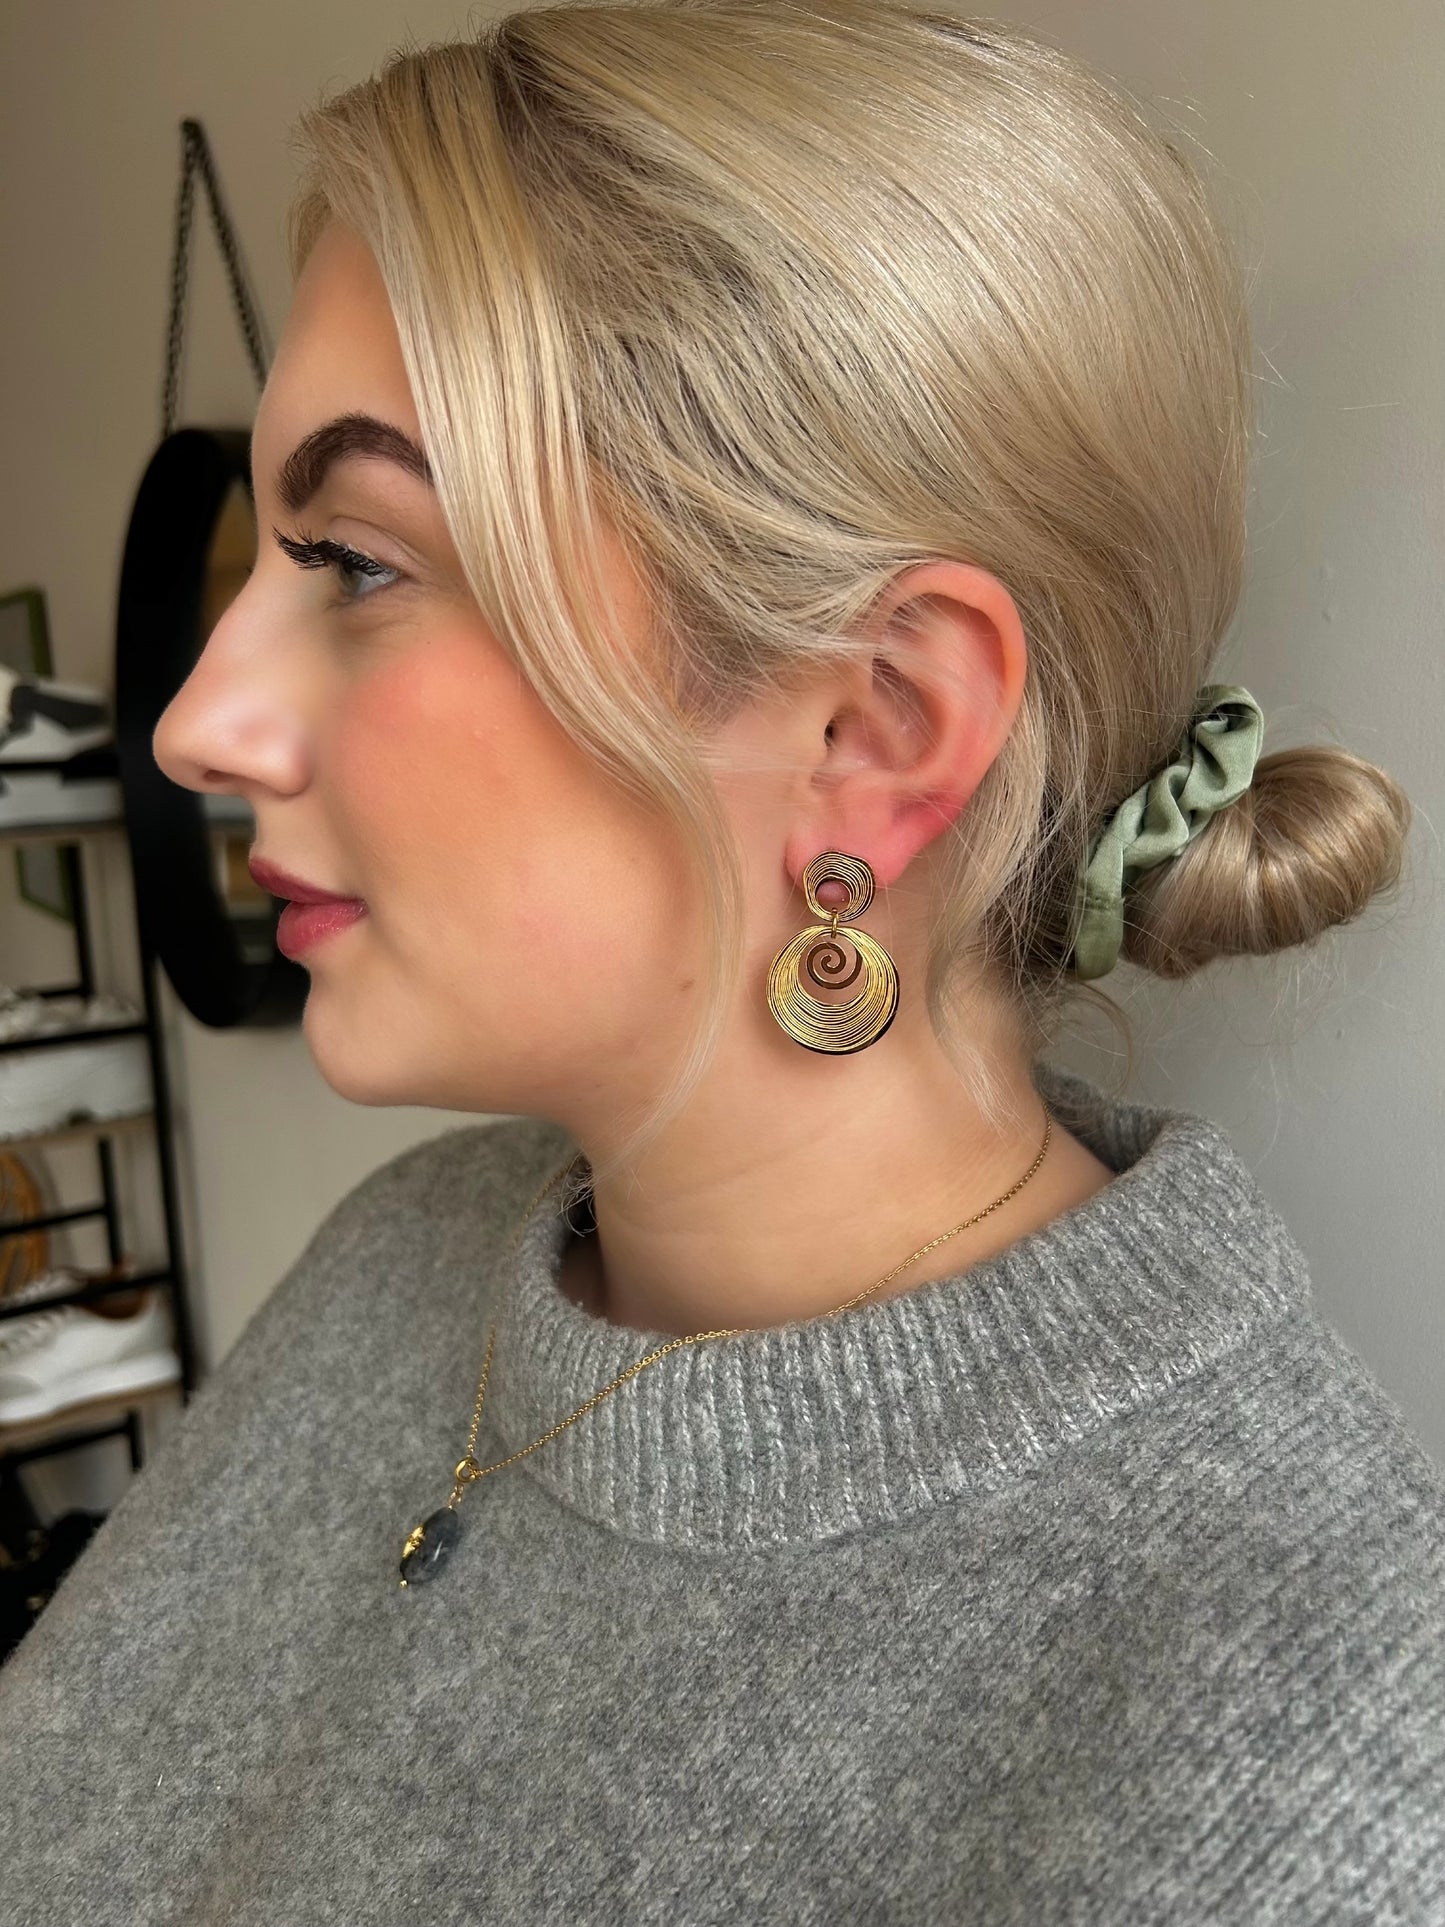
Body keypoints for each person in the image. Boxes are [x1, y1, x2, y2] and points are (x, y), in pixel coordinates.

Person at [2, 2, 1441, 1920]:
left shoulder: (1320, 1740)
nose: (193, 726)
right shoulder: (410, 1259)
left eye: (356, 559)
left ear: (873, 725)